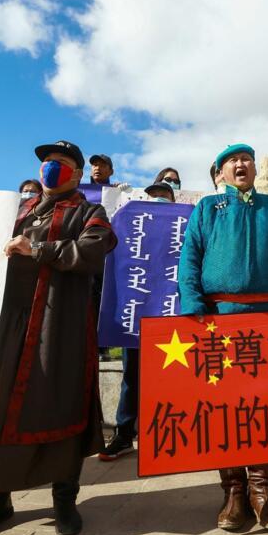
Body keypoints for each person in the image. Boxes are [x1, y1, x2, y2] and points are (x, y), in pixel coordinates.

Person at [0, 140, 115, 535]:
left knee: (58, 406)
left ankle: (64, 499)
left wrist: (38, 249)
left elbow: (92, 251)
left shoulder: (90, 211)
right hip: (0, 327)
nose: (52, 169)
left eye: (62, 164)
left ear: (78, 174)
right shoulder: (14, 209)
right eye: (48, 163)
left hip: (57, 327)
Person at [178, 143, 268, 532]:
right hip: (219, 322)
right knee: (225, 409)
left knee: (265, 410)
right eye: (231, 161)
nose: (240, 165)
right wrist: (191, 300)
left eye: (246, 159)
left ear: (255, 168)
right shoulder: (207, 209)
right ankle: (234, 492)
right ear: (221, 173)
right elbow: (189, 257)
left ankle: (263, 491)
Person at [100, 179, 177, 463]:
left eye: (163, 195)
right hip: (138, 316)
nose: (157, 199)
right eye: (153, 195)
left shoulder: (185, 225)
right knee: (132, 378)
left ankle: (171, 430)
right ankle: (124, 434)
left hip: (172, 316)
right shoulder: (130, 226)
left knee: (172, 377)